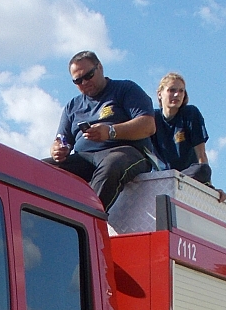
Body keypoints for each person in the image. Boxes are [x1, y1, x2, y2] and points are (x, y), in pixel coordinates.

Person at [47, 51, 156, 210]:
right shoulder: (72, 106)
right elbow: (60, 139)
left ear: (100, 68)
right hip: (84, 158)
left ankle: (87, 220)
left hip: (126, 152)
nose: (84, 82)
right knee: (42, 169)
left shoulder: (125, 89)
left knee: (112, 166)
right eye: (77, 80)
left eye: (88, 75)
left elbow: (148, 125)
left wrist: (110, 131)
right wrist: (57, 150)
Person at [151, 72, 213, 185]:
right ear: (159, 94)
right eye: (172, 90)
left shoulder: (190, 114)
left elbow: (201, 155)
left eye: (181, 91)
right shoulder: (153, 118)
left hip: (188, 176)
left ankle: (176, 181)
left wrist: (209, 186)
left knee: (203, 169)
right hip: (162, 176)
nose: (177, 95)